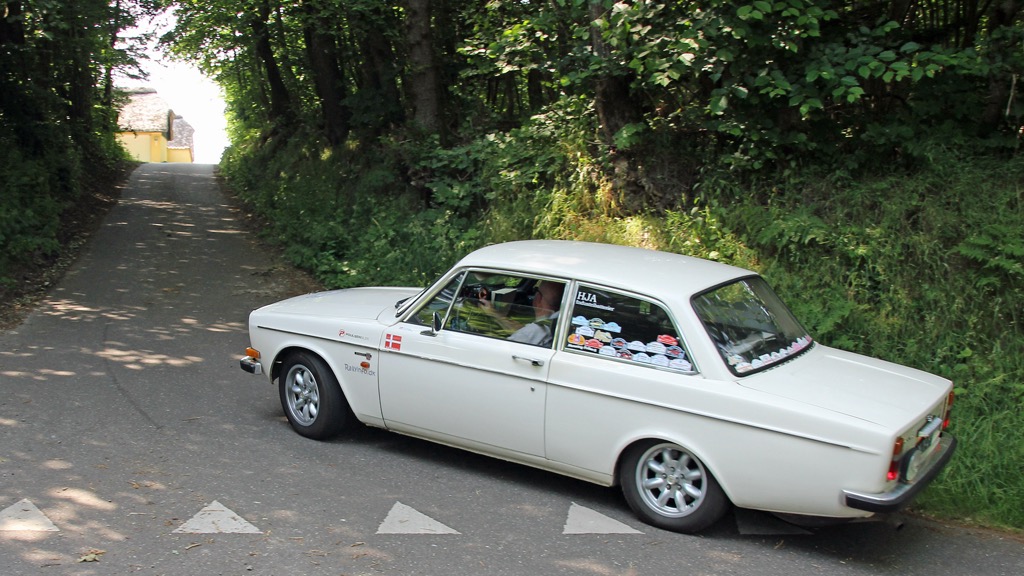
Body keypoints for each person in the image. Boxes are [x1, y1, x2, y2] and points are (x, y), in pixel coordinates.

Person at [478, 280, 564, 347]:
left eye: (535, 290)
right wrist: (494, 313)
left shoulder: (537, 331)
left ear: (538, 298)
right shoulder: (557, 323)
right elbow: (524, 332)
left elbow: (500, 350)